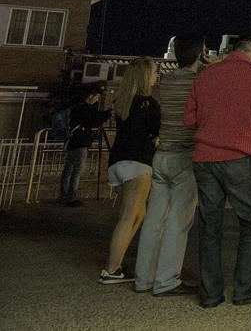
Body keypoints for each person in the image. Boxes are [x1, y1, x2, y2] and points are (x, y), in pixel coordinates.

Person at [183, 34, 251, 308]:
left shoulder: (205, 76)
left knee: (209, 225)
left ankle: (211, 295)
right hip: (238, 157)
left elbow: (189, 118)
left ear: (233, 50)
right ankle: (245, 289)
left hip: (204, 158)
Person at [134, 34, 207, 296]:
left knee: (155, 219)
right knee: (178, 221)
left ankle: (144, 278)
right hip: (184, 156)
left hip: (162, 155)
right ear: (200, 53)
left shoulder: (166, 80)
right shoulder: (199, 82)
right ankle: (166, 281)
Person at [101, 58, 161, 284]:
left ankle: (116, 264)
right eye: (155, 72)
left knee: (136, 213)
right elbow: (156, 134)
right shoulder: (149, 104)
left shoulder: (123, 101)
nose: (157, 75)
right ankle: (112, 268)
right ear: (145, 76)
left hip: (118, 162)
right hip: (139, 162)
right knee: (129, 216)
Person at [59, 83, 110, 206]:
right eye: (96, 97)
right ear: (91, 96)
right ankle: (71, 197)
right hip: (80, 143)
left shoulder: (75, 107)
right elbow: (93, 121)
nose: (97, 100)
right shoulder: (84, 109)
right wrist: (107, 114)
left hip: (71, 142)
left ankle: (63, 195)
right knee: (76, 171)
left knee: (68, 170)